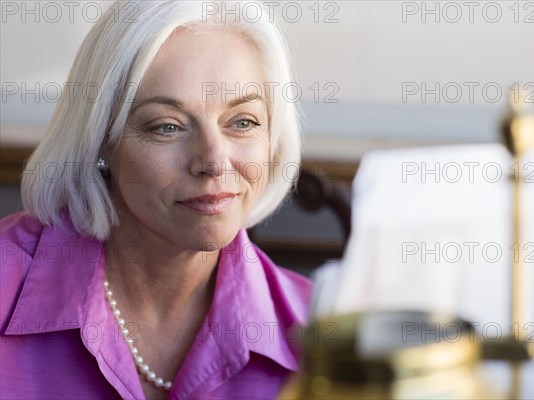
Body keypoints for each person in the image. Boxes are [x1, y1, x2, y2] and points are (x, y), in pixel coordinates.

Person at [0, 1, 311, 399]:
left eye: (242, 122)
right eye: (167, 126)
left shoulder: (319, 336)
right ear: (101, 142)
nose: (214, 162)